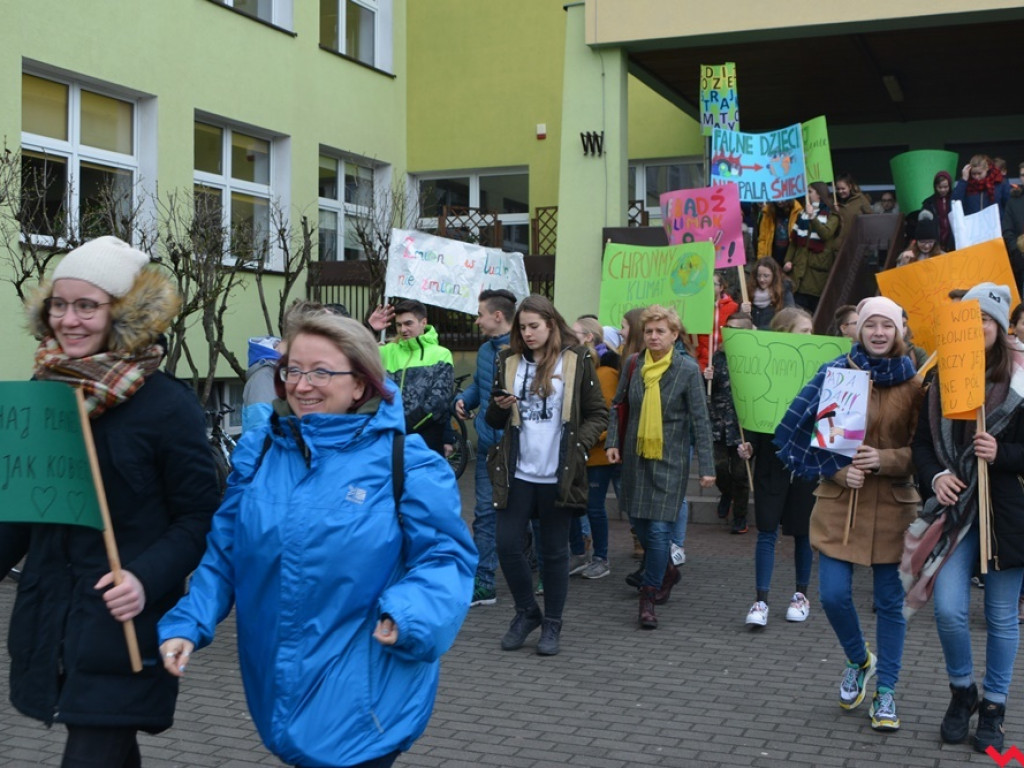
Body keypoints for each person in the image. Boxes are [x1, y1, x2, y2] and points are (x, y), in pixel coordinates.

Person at [158, 309, 476, 768]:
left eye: (322, 372)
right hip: (277, 681)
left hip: (366, 685)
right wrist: (190, 621)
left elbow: (446, 558)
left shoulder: (407, 462)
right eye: (292, 371)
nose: (302, 385)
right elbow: (227, 552)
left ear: (361, 384)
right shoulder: (262, 451)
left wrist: (410, 612)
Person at [0, 235, 219, 768]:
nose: (68, 320)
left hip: (123, 624)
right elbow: (21, 512)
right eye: (59, 304)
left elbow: (198, 518)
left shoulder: (168, 406)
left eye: (86, 306)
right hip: (50, 618)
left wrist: (145, 577)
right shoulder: (45, 392)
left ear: (122, 313)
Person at [775, 296, 923, 732]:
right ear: (858, 329)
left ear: (899, 332)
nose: (878, 333)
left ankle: (887, 692)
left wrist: (887, 460)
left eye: (887, 326)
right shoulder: (835, 374)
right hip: (841, 508)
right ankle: (860, 659)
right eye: (870, 324)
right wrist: (836, 471)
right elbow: (791, 434)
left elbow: (927, 452)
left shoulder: (917, 385)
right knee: (833, 595)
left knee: (890, 604)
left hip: (894, 510)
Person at [905, 282, 1024, 753]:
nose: (977, 327)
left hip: (1006, 517)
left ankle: (993, 708)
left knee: (1000, 618)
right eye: (969, 318)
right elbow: (921, 445)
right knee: (949, 610)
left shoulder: (1020, 381)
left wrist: (1004, 452)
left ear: (998, 326)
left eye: (986, 320)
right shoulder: (939, 378)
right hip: (954, 515)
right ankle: (962, 692)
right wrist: (934, 478)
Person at [486, 295, 608, 655]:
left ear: (552, 324)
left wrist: (581, 449)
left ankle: (552, 623)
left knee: (554, 553)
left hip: (559, 473)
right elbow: (493, 423)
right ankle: (527, 612)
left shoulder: (577, 359)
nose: (527, 334)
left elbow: (598, 414)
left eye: (534, 326)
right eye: (522, 327)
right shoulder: (507, 360)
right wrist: (498, 407)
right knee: (507, 545)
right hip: (518, 472)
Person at [606, 305, 715, 630]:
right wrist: (612, 441)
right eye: (649, 331)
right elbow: (618, 404)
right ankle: (667, 570)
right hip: (635, 457)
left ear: (674, 335)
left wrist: (707, 466)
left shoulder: (687, 369)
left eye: (661, 331)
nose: (654, 337)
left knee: (657, 531)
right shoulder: (632, 364)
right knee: (639, 523)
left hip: (671, 460)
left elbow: (700, 419)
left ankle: (648, 595)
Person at [736, 306, 818, 626]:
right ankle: (761, 601)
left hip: (806, 463)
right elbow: (757, 409)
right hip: (772, 462)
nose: (811, 337)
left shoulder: (821, 369)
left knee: (802, 533)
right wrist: (750, 444)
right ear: (786, 333)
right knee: (767, 532)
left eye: (812, 331)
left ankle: (800, 595)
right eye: (805, 331)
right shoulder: (767, 368)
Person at [454, 288, 515, 607]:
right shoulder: (484, 351)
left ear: (498, 315)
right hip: (489, 449)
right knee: (484, 516)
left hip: (521, 451)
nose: (477, 321)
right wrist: (463, 399)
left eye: (480, 314)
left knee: (530, 516)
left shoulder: (526, 348)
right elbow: (480, 384)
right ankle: (485, 582)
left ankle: (542, 574)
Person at [570, 316, 620, 580]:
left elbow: (608, 415)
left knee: (595, 507)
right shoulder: (579, 366)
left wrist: (586, 439)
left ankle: (601, 557)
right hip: (578, 450)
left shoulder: (606, 372)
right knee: (572, 504)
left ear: (589, 337)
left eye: (574, 332)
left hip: (597, 454)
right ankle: (579, 553)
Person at [378, 298, 454, 454]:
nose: (403, 329)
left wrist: (401, 426)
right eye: (398, 325)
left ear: (423, 322)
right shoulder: (386, 351)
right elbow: (349, 360)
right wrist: (371, 329)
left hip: (425, 440)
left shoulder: (441, 354)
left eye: (408, 323)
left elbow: (438, 402)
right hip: (387, 439)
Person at [704, 312, 753, 531]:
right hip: (719, 424)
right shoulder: (718, 356)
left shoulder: (755, 357)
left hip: (743, 425)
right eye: (728, 328)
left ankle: (740, 518)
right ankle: (727, 493)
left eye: (736, 329)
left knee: (741, 474)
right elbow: (709, 392)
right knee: (719, 468)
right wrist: (707, 379)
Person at [784, 181, 841, 313]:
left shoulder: (832, 215)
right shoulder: (802, 213)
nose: (807, 195)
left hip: (816, 273)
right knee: (797, 311)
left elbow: (825, 234)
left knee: (815, 311)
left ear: (819, 195)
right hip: (799, 272)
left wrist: (812, 217)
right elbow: (794, 241)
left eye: (810, 192)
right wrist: (788, 260)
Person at [696, 271, 739, 371]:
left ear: (721, 287)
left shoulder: (733, 307)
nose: (710, 287)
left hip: (724, 361)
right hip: (702, 361)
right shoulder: (699, 307)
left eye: (714, 284)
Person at [740, 256, 794, 329]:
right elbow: (738, 321)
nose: (761, 280)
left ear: (774, 276)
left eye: (766, 276)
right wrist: (741, 312)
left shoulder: (784, 292)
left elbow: (789, 319)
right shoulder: (748, 291)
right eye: (759, 276)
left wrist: (759, 330)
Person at [755, 198, 803, 266]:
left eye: (782, 199)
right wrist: (761, 260)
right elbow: (763, 239)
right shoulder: (767, 212)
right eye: (777, 199)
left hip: (791, 260)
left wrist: (794, 261)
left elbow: (800, 239)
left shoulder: (797, 211)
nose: (779, 202)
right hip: (772, 258)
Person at [834, 173, 873, 254]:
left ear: (850, 187)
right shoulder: (834, 201)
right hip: (839, 247)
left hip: (857, 245)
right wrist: (834, 211)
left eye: (843, 188)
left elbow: (871, 217)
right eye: (838, 189)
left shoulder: (860, 198)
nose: (840, 191)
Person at [921, 171, 956, 253]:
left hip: (953, 240)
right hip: (936, 242)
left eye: (946, 187)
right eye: (940, 187)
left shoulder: (956, 199)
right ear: (935, 187)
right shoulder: (928, 203)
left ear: (950, 186)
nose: (943, 190)